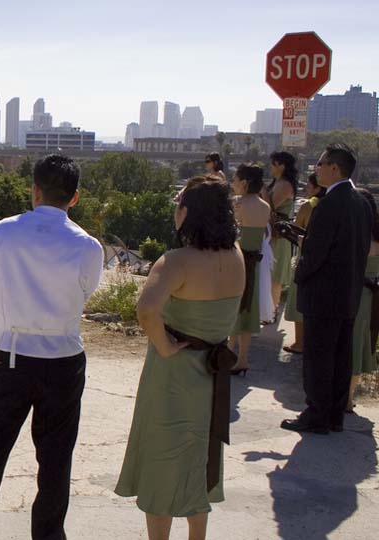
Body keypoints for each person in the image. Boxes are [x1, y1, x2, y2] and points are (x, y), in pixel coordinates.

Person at [0, 154, 104, 540]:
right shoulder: (88, 246)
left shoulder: (1, 232)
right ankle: (48, 536)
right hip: (63, 360)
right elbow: (86, 292)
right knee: (55, 458)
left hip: (10, 358)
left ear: (34, 190)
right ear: (74, 198)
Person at [115, 176, 244, 540]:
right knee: (199, 461)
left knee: (162, 459)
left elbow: (146, 311)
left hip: (175, 373)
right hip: (214, 374)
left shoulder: (176, 261)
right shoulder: (236, 256)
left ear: (187, 212)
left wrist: (166, 345)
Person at [282, 143, 372, 434]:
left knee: (319, 356)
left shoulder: (330, 203)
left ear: (334, 167)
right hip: (348, 294)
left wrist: (300, 273)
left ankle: (316, 414)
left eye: (320, 164)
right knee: (340, 356)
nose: (316, 169)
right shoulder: (361, 201)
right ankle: (334, 414)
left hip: (323, 294)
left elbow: (317, 252)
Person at [229, 163, 270, 374]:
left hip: (236, 260)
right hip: (255, 263)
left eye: (235, 180)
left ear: (244, 183)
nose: (232, 183)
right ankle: (243, 358)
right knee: (248, 309)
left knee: (232, 306)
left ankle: (228, 353)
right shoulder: (265, 206)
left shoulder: (237, 204)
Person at [282, 174, 324, 354]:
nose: (306, 188)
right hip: (324, 260)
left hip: (304, 254)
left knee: (298, 300)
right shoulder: (332, 205)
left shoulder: (308, 206)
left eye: (309, 185)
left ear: (316, 188)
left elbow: (297, 226)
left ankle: (300, 342)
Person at [348, 188, 379, 411]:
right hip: (368, 297)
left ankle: (347, 398)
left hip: (358, 296)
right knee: (359, 345)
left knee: (354, 345)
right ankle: (348, 397)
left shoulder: (364, 237)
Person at [265, 151, 299, 315]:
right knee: (268, 273)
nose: (270, 167)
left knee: (275, 275)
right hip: (271, 233)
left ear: (281, 166)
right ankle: (269, 310)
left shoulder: (285, 185)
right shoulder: (277, 182)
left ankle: (272, 311)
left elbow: (270, 206)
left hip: (279, 234)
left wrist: (262, 192)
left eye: (273, 164)